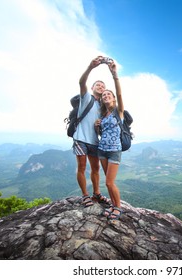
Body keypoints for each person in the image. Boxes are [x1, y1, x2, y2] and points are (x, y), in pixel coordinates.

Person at [73, 56, 110, 208]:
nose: (101, 86)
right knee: (81, 167)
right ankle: (85, 195)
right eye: (98, 84)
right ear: (93, 87)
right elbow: (81, 82)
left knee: (96, 169)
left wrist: (100, 124)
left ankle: (96, 193)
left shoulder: (103, 106)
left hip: (94, 141)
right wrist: (90, 67)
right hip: (81, 138)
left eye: (103, 85)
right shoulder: (86, 97)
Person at [95, 61, 124, 220]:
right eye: (104, 95)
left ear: (113, 98)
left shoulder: (118, 112)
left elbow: (120, 94)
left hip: (114, 151)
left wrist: (114, 75)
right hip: (102, 150)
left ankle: (118, 207)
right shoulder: (102, 115)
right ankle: (113, 205)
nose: (106, 95)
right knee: (107, 181)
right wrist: (96, 126)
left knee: (109, 183)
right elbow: (101, 134)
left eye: (109, 94)